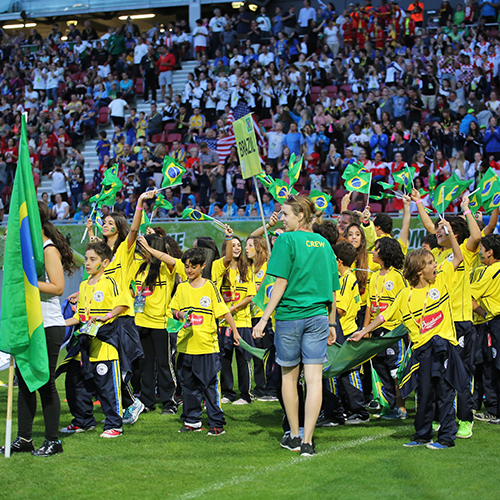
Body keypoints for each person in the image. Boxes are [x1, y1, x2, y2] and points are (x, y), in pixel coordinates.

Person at [350, 218, 466, 450]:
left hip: (443, 348)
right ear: (419, 269)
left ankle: (446, 438)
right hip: (421, 352)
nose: (436, 266)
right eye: (431, 263)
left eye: (435, 262)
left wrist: (451, 233)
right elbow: (384, 316)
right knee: (424, 395)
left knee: (444, 394)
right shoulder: (406, 295)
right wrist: (364, 331)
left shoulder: (441, 282)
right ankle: (422, 435)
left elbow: (459, 256)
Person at [253, 196, 339, 457]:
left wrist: (264, 318)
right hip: (318, 317)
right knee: (314, 381)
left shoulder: (286, 240)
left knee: (289, 379)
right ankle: (308, 441)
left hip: (290, 317)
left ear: (300, 215)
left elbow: (279, 283)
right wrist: (332, 321)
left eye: (285, 215)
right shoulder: (324, 243)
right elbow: (333, 288)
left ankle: (294, 434)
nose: (282, 218)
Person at [1, 202, 77, 456]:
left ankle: (53, 440)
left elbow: (57, 287)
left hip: (47, 325)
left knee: (45, 383)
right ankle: (24, 438)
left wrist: (27, 281)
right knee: (23, 382)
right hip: (28, 325)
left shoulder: (48, 249)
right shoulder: (28, 251)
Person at [413, 191, 482, 439]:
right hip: (441, 324)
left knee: (462, 373)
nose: (438, 232)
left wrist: (465, 208)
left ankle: (466, 419)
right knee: (440, 374)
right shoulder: (439, 256)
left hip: (462, 322)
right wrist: (418, 202)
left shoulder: (464, 249)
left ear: (455, 233)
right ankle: (441, 418)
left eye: (444, 229)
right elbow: (431, 226)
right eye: (440, 229)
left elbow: (477, 235)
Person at [170, 247, 241, 435]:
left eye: (193, 267)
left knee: (210, 386)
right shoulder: (182, 288)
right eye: (186, 267)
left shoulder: (210, 287)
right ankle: (192, 421)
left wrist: (235, 331)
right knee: (189, 386)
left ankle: (216, 423)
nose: (189, 270)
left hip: (207, 347)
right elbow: (172, 310)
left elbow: (223, 310)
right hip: (185, 347)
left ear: (202, 266)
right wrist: (180, 314)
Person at [65, 242, 130, 438]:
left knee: (107, 387)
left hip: (105, 343)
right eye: (86, 259)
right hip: (84, 344)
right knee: (75, 383)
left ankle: (114, 425)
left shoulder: (110, 283)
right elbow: (80, 316)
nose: (87, 263)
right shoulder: (84, 285)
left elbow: (124, 304)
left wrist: (107, 316)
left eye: (92, 259)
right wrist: (59, 323)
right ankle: (83, 421)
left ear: (105, 263)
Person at [132, 235, 181, 414]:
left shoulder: (166, 269)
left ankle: (170, 402)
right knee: (145, 364)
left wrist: (151, 250)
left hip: (162, 324)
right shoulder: (139, 269)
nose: (142, 251)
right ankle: (147, 401)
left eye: (145, 248)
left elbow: (173, 261)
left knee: (164, 364)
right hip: (142, 322)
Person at [332, 240, 369, 424]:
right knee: (345, 373)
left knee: (349, 373)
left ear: (338, 261)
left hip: (345, 331)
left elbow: (340, 309)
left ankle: (359, 411)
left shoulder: (347, 279)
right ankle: (349, 408)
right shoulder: (346, 277)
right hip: (346, 329)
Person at [219, 236, 256, 405]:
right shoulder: (220, 269)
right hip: (223, 323)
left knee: (243, 359)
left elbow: (250, 296)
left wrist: (233, 308)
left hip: (242, 322)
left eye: (238, 245)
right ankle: (227, 392)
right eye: (232, 245)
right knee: (225, 359)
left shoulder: (246, 270)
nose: (236, 248)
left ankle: (246, 394)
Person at [471, 234, 500, 424]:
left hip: (494, 323)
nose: (480, 252)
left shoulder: (491, 271)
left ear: (490, 252)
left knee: (490, 366)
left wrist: (483, 313)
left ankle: (493, 410)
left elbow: (469, 293)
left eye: (482, 249)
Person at [245, 236, 276, 401]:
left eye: (250, 245)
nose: (246, 248)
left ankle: (270, 387)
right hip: (250, 315)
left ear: (258, 248)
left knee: (267, 353)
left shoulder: (268, 266)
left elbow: (262, 289)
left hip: (265, 316)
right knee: (255, 354)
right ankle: (260, 386)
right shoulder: (248, 268)